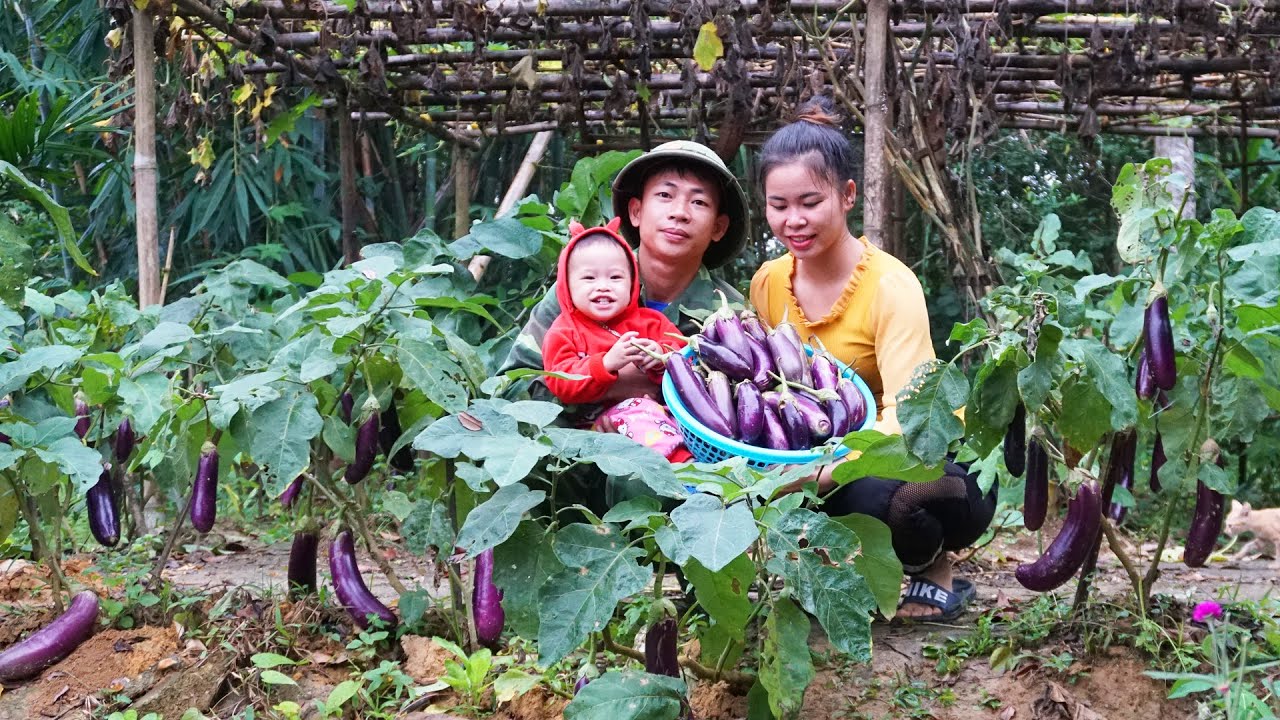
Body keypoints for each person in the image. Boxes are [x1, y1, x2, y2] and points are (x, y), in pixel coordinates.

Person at [750, 97, 996, 621]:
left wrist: (819, 473)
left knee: (874, 498)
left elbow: (907, 418)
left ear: (847, 196)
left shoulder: (890, 285)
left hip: (923, 458)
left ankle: (931, 563)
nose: (794, 219)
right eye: (778, 205)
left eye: (810, 202)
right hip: (817, 456)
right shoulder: (768, 283)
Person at [498, 140, 750, 504]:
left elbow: (739, 417)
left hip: (678, 476)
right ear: (635, 211)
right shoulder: (577, 288)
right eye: (665, 195)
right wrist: (602, 391)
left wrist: (658, 396)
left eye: (699, 202)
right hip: (573, 465)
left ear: (718, 227)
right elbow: (512, 387)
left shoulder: (729, 318)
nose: (680, 212)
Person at [541, 217, 692, 462]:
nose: (603, 287)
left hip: (659, 412)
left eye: (615, 278)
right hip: (598, 426)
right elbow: (559, 381)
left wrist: (659, 355)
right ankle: (685, 472)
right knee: (641, 417)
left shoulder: (651, 321)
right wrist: (605, 364)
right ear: (567, 285)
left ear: (633, 282)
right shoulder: (563, 331)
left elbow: (687, 358)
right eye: (589, 278)